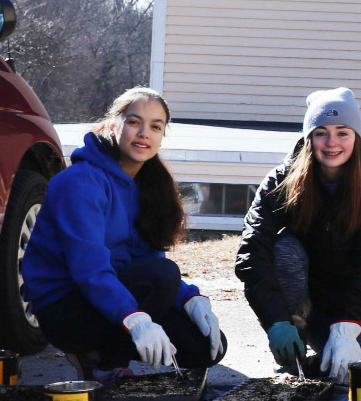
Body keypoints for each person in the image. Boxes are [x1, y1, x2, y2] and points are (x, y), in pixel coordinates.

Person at [23, 88, 226, 381]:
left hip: (111, 293)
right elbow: (89, 269)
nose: (144, 133)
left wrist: (190, 300)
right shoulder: (80, 182)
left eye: (156, 126)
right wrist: (135, 320)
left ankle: (111, 345)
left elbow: (147, 257)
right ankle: (99, 359)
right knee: (162, 275)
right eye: (134, 122)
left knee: (205, 347)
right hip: (66, 306)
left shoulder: (147, 184)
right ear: (112, 125)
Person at [234, 89, 361, 382]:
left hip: (345, 298)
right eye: (321, 132)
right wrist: (276, 322)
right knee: (284, 247)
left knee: (349, 376)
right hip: (296, 296)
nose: (332, 142)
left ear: (356, 137)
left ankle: (332, 340)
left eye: (342, 132)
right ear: (309, 138)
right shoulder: (281, 180)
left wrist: (348, 324)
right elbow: (252, 253)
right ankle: (291, 348)